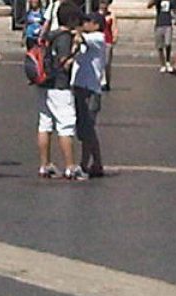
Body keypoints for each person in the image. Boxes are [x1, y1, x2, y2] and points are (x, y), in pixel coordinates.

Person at [35, 2, 84, 179]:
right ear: (71, 19)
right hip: (60, 86)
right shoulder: (64, 37)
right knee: (66, 126)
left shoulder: (49, 35)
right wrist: (76, 50)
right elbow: (64, 62)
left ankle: (44, 164)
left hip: (44, 84)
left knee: (44, 124)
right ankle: (71, 166)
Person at [73, 12, 106, 176]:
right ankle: (94, 163)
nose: (84, 24)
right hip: (80, 87)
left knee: (88, 129)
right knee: (86, 129)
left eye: (88, 21)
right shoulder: (89, 39)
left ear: (97, 25)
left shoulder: (99, 38)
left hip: (91, 89)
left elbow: (79, 38)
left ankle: (86, 163)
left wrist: (73, 30)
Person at [148, 0, 176, 73]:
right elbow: (149, 5)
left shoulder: (171, 1)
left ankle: (168, 62)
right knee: (160, 46)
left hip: (168, 24)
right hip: (159, 24)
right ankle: (162, 64)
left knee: (168, 43)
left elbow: (175, 11)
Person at [99, 0, 117, 89]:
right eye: (102, 3)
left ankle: (107, 81)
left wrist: (115, 37)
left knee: (106, 63)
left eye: (105, 3)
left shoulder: (111, 15)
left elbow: (114, 27)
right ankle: (102, 82)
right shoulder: (97, 15)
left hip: (107, 40)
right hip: (98, 41)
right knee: (100, 62)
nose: (103, 5)